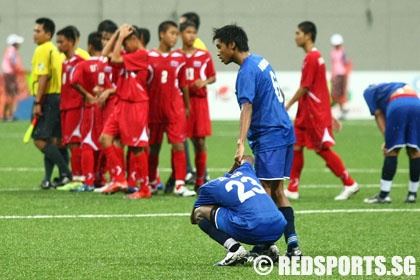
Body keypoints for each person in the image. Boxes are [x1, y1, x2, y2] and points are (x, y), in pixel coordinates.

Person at [213, 24, 301, 257]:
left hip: (271, 136)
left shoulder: (246, 71)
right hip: (283, 131)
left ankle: (269, 244)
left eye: (220, 47)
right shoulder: (260, 61)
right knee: (277, 190)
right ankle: (291, 245)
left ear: (233, 45)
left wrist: (240, 142)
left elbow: (247, 106)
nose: (218, 52)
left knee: (263, 192)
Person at [284, 21, 359, 201]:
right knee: (296, 146)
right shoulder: (312, 57)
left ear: (308, 35)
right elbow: (321, 90)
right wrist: (331, 114)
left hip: (313, 114)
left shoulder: (312, 57)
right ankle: (293, 188)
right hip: (306, 113)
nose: (295, 36)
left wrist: (287, 105)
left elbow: (305, 87)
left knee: (322, 149)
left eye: (298, 33)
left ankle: (349, 183)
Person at [191, 155, 287, 266]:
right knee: (253, 209)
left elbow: (194, 217)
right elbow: (248, 157)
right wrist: (237, 162)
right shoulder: (247, 172)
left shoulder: (210, 186)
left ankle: (234, 248)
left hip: (253, 227)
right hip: (279, 226)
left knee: (200, 213)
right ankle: (267, 247)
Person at [98, 24, 151, 199]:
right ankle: (119, 179)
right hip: (122, 104)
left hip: (136, 104)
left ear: (134, 40)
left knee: (137, 147)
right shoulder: (129, 54)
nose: (123, 48)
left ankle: (144, 189)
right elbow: (104, 54)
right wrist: (116, 34)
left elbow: (115, 59)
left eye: (125, 43)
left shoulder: (142, 55)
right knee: (105, 138)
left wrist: (120, 38)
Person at [147, 20, 195, 197]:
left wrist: (187, 106)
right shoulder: (149, 56)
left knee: (178, 144)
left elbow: (184, 85)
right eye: (172, 33)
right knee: (154, 147)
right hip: (154, 108)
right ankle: (152, 182)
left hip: (174, 107)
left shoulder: (180, 58)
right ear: (162, 34)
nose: (175, 37)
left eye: (177, 34)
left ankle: (179, 184)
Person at [69, 31, 114, 192]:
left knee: (88, 142)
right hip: (107, 107)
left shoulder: (84, 64)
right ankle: (100, 177)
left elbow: (73, 81)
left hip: (91, 107)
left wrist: (87, 95)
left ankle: (88, 180)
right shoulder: (109, 63)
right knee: (104, 142)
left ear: (89, 46)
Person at [31, 17, 73, 189]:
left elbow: (44, 76)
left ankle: (67, 173)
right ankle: (48, 179)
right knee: (53, 141)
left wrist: (37, 102)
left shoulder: (43, 49)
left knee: (39, 139)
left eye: (38, 31)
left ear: (48, 34)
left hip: (48, 98)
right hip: (58, 98)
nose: (34, 34)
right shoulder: (54, 50)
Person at [363, 83, 420, 204]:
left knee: (392, 151)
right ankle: (412, 194)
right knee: (414, 151)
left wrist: (388, 140)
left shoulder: (368, 92)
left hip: (398, 103)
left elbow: (378, 115)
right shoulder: (393, 86)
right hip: (416, 102)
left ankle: (384, 195)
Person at [179, 20, 216, 193]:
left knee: (199, 141)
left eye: (194, 32)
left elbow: (213, 76)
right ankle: (178, 178)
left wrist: (204, 82)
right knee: (178, 140)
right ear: (181, 34)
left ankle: (200, 180)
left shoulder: (204, 55)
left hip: (199, 103)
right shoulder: (176, 56)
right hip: (180, 102)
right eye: (188, 32)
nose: (191, 36)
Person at [55, 26, 86, 187]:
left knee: (76, 142)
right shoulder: (65, 63)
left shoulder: (81, 62)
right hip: (65, 107)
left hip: (76, 106)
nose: (58, 45)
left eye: (61, 42)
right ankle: (77, 177)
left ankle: (79, 178)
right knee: (69, 142)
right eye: (57, 42)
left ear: (71, 42)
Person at [2, 34, 25, 121]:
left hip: (9, 74)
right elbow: (15, 64)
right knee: (11, 95)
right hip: (10, 75)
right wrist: (22, 70)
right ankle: (8, 115)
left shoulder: (9, 50)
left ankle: (7, 115)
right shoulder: (12, 51)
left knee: (10, 95)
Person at [330, 33, 352, 120]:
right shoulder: (333, 53)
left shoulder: (342, 53)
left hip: (342, 75)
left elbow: (348, 64)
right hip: (336, 75)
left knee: (341, 94)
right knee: (335, 94)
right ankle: (343, 110)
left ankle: (344, 110)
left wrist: (346, 74)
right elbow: (333, 65)